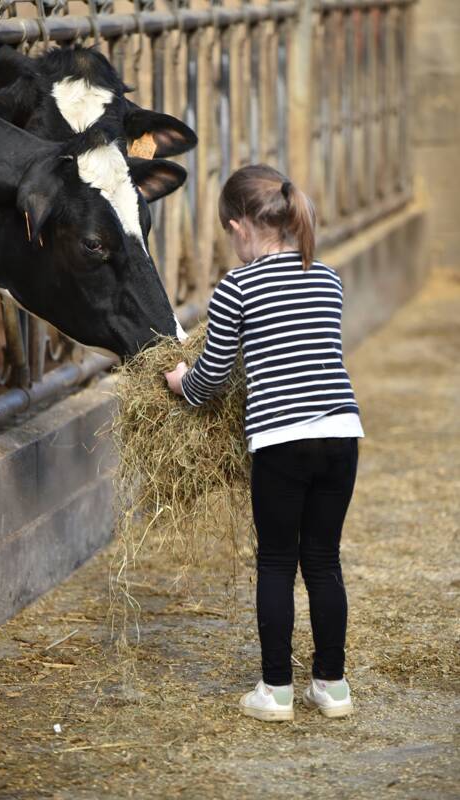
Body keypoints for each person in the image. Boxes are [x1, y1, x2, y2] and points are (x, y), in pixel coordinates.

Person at [164, 164, 364, 722]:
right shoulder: (327, 277)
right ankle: (333, 686)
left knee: (276, 562)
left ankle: (276, 690)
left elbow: (212, 380)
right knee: (324, 559)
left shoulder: (237, 287)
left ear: (240, 227)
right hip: (342, 434)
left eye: (230, 235)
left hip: (281, 440)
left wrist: (179, 382)